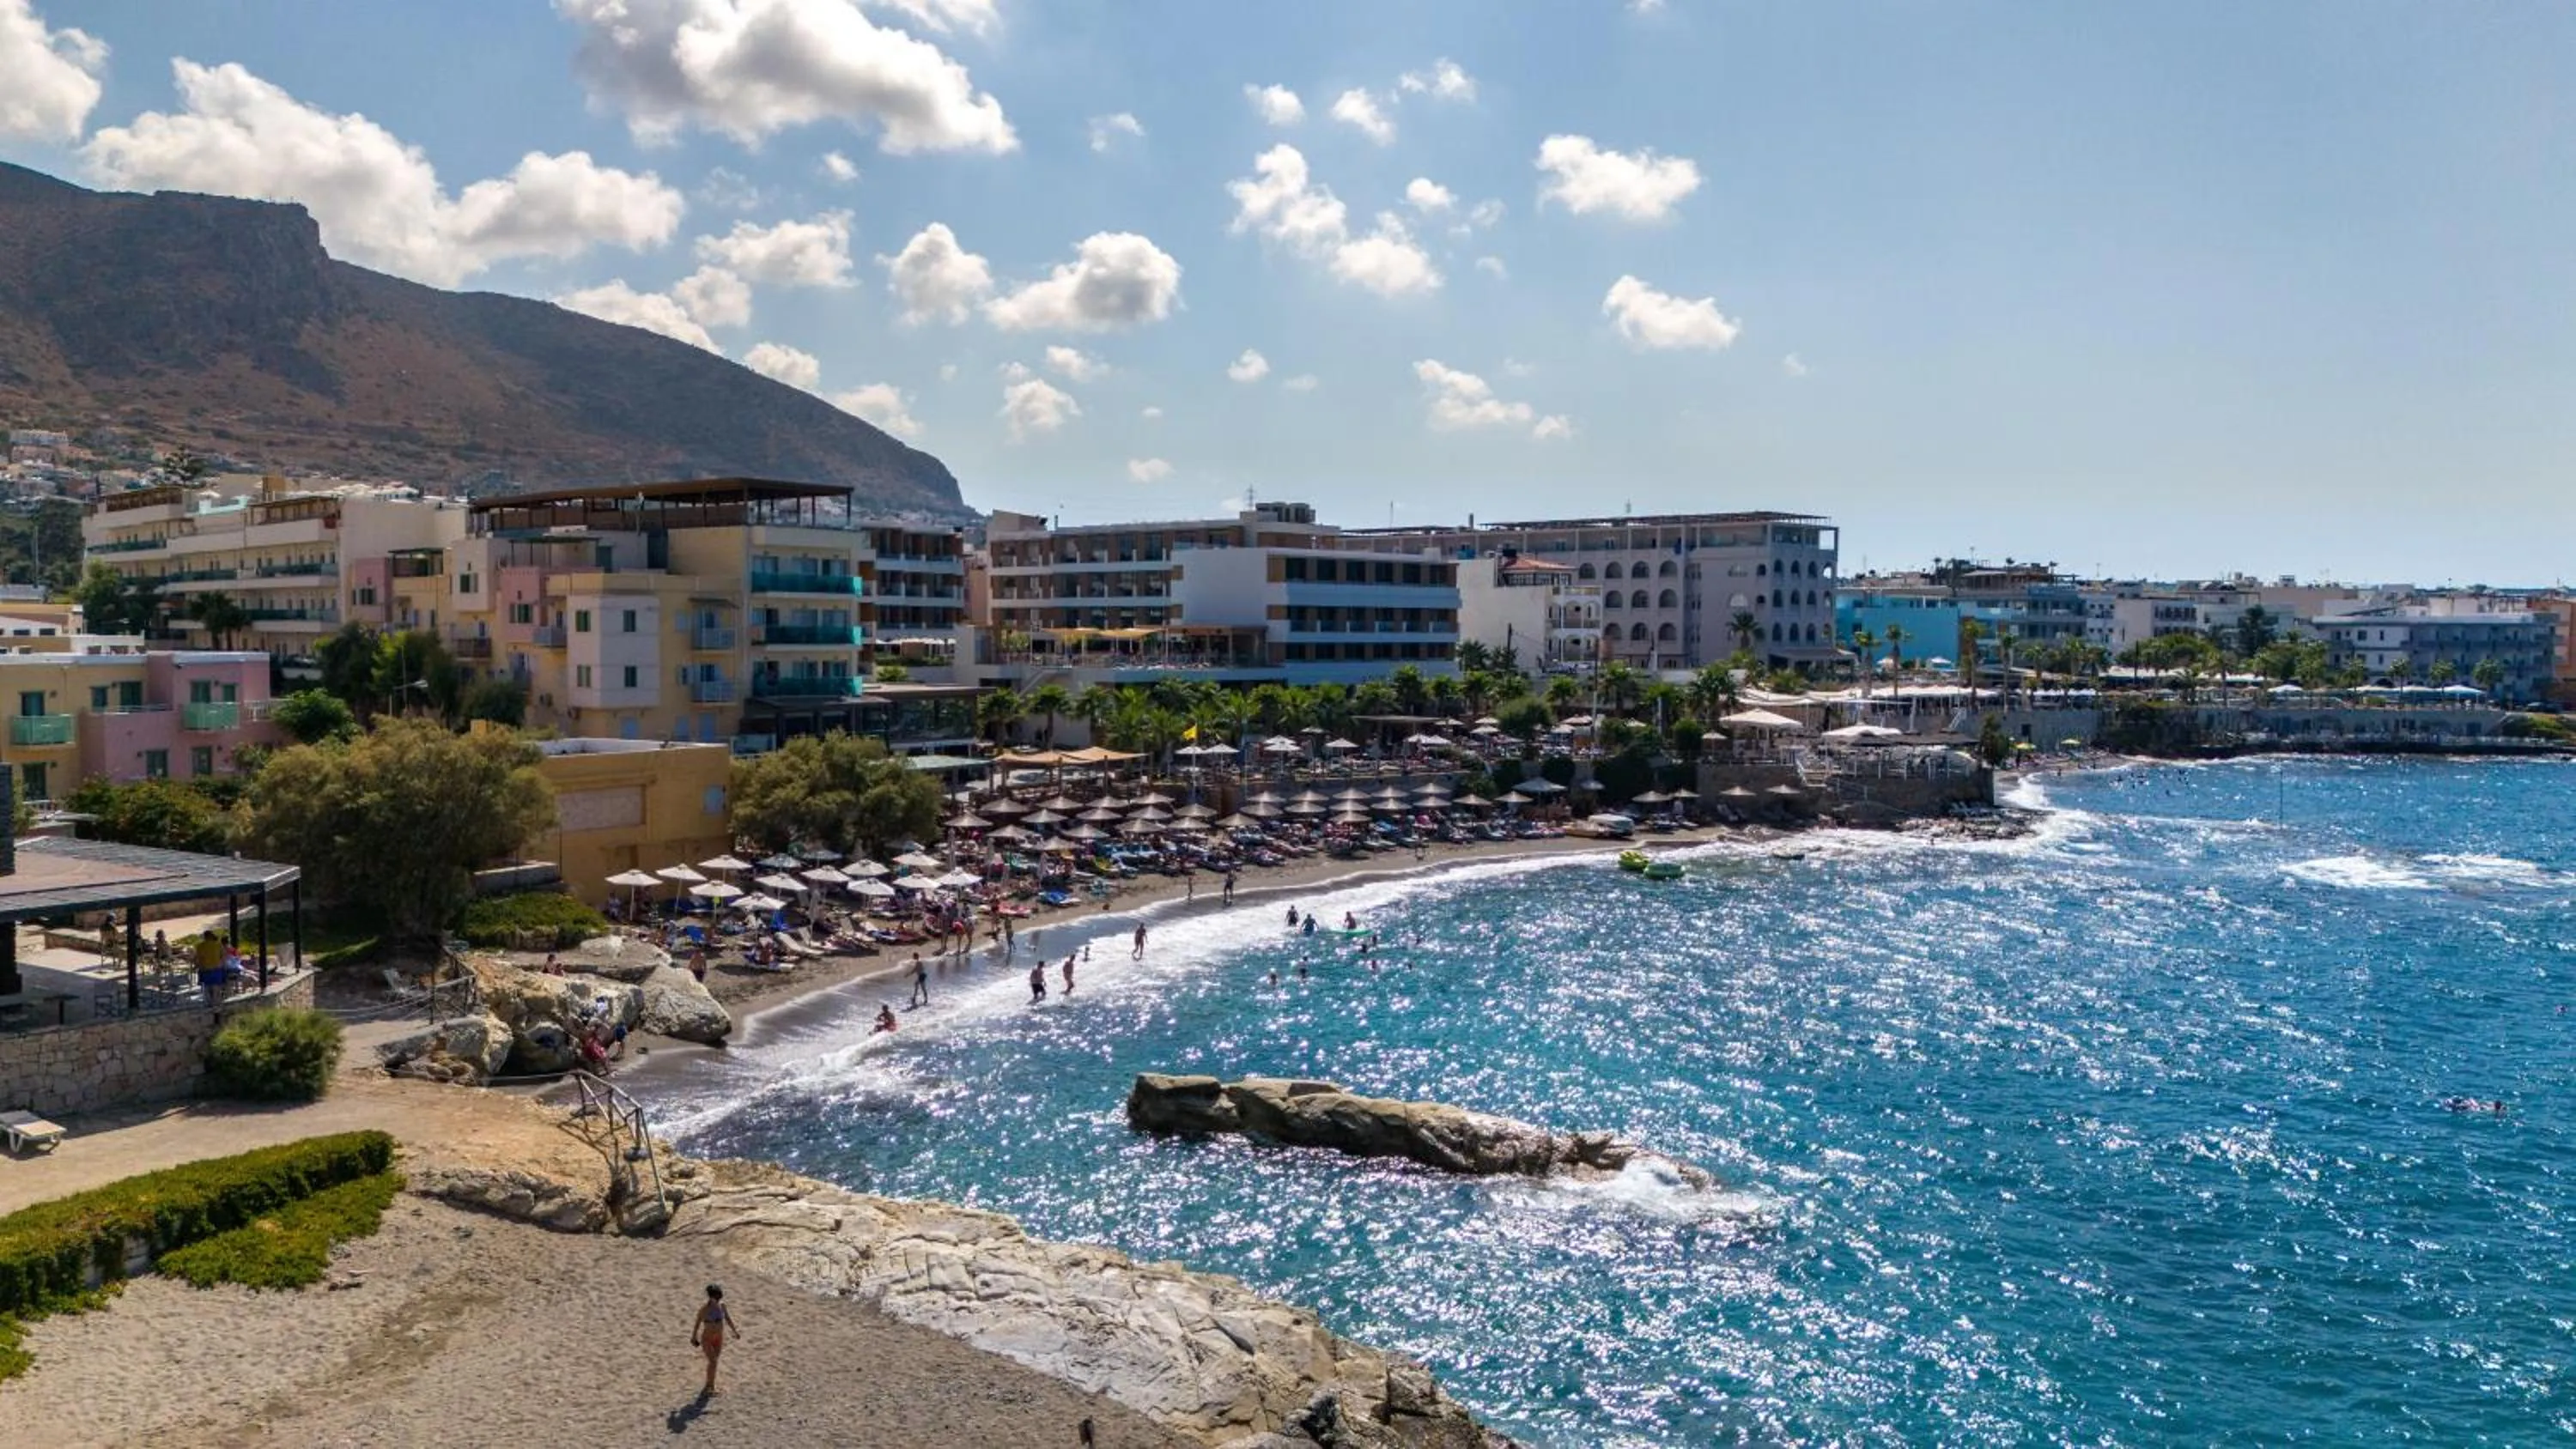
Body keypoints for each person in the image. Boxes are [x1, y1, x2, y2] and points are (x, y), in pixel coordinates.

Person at [690, 1284, 737, 1398]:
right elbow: (697, 1323)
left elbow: (727, 1318)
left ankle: (709, 1386)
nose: (718, 1300)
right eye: (716, 1297)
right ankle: (710, 1387)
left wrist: (735, 1331)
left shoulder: (722, 1306)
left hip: (719, 1338)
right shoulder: (704, 1310)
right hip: (707, 1339)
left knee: (714, 1363)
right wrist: (694, 1337)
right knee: (713, 1361)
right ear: (710, 1297)